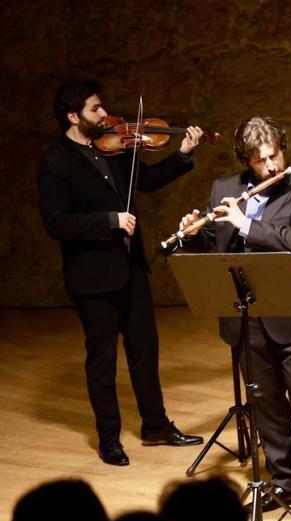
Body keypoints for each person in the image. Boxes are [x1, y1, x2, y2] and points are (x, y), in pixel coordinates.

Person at [177, 116, 291, 516]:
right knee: (265, 403)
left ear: (282, 148)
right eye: (260, 160)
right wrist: (195, 234)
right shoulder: (225, 188)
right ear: (246, 161)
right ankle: (286, 482)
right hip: (246, 315)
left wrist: (247, 224)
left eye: (275, 155)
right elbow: (216, 243)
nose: (271, 165)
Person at [36, 80, 205, 466]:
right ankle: (109, 437)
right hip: (92, 277)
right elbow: (56, 222)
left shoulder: (114, 147)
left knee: (145, 349)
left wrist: (182, 153)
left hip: (130, 267)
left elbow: (146, 181)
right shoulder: (56, 162)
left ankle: (155, 425)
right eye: (95, 109)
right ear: (73, 116)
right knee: (102, 359)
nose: (105, 114)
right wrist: (109, 221)